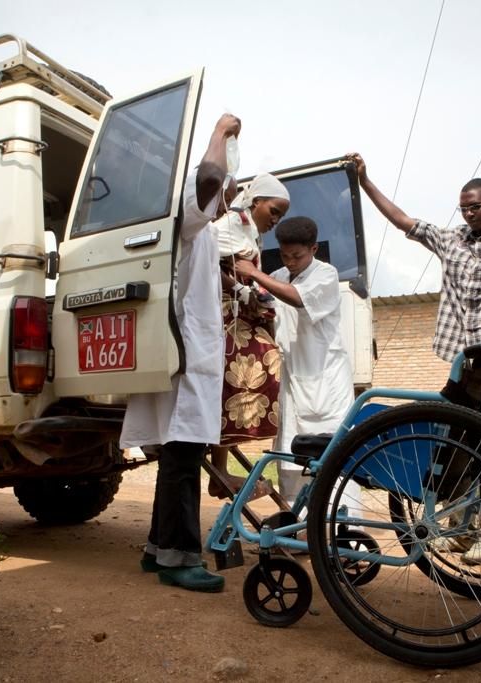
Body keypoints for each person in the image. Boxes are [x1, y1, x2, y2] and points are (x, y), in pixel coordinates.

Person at [348, 152, 481, 565]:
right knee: (457, 446)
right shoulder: (452, 240)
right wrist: (366, 182)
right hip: (464, 364)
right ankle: (462, 530)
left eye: (475, 206)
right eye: (463, 208)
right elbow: (404, 221)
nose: (468, 214)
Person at [118, 113, 242, 593]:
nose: (230, 197)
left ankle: (157, 549)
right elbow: (208, 177)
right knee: (182, 456)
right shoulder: (188, 214)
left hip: (192, 354)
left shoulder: (204, 230)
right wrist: (218, 132)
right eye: (228, 189)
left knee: (177, 453)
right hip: (186, 357)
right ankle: (180, 557)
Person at [234, 217, 361, 518]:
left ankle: (344, 531)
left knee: (333, 458)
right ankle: (300, 527)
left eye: (297, 256)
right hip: (292, 381)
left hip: (325, 379)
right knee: (292, 457)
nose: (290, 262)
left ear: (313, 248)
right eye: (285, 255)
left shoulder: (326, 275)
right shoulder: (279, 274)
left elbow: (297, 299)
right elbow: (271, 307)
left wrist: (253, 273)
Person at [207, 173, 290, 499]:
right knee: (261, 364)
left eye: (281, 216)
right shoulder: (229, 224)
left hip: (238, 314)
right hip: (223, 317)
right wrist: (241, 290)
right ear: (256, 203)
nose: (275, 220)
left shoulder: (248, 231)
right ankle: (220, 472)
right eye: (273, 211)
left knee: (232, 390)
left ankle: (221, 470)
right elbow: (205, 261)